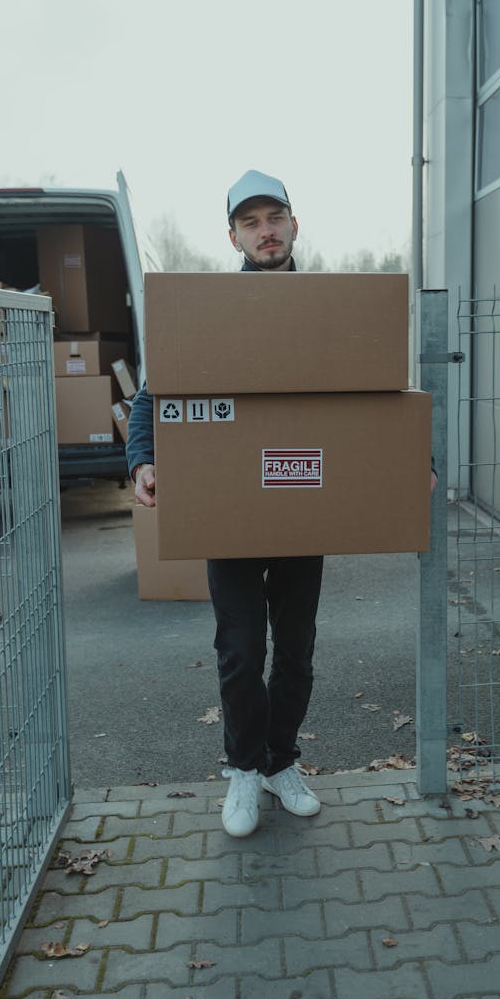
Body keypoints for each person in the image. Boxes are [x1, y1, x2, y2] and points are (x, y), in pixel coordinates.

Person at [126, 169, 324, 838]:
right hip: (229, 507)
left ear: (295, 225)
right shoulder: (206, 308)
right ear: (234, 235)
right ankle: (244, 767)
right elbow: (153, 396)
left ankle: (280, 762)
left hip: (301, 501)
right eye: (251, 220)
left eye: (276, 216)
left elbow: (374, 395)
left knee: (295, 651)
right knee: (241, 650)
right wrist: (143, 457)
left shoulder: (333, 308)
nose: (265, 229)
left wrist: (415, 460)